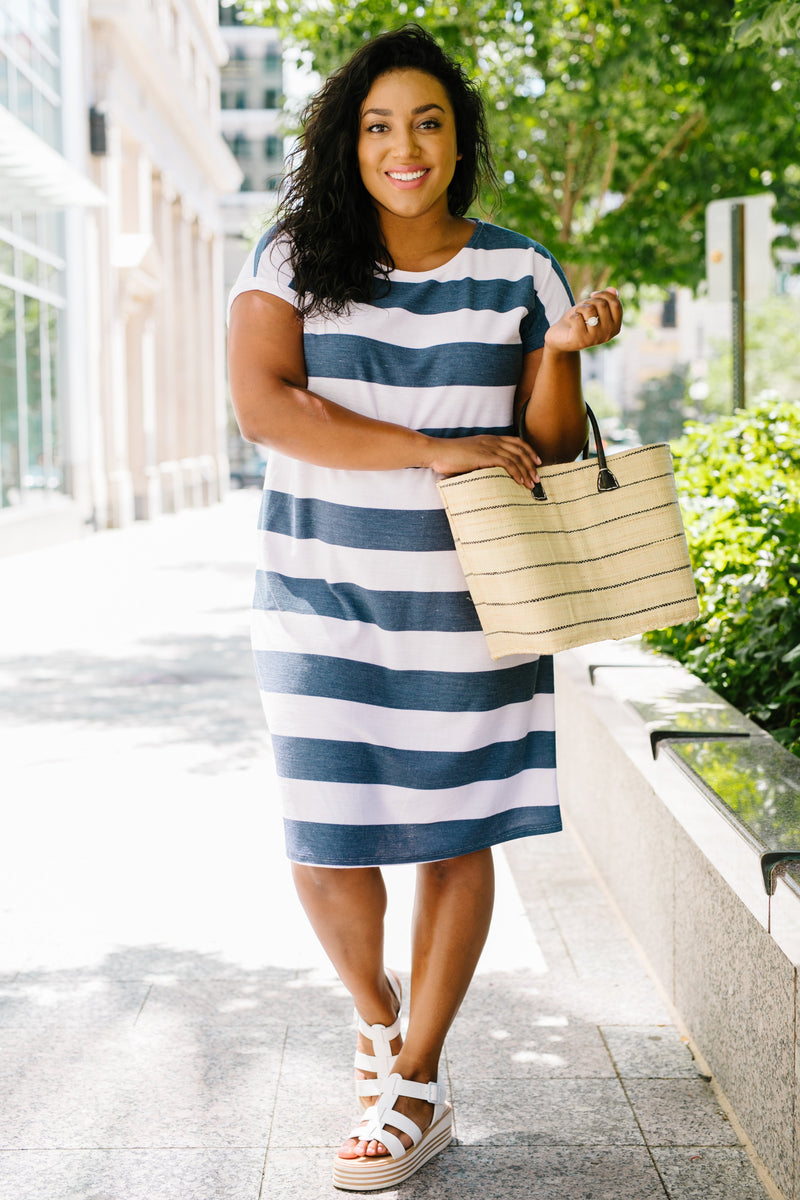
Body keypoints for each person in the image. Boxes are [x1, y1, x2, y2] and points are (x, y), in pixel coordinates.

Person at [227, 24, 622, 1191]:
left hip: (472, 602)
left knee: (455, 839)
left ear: (459, 139)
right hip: (319, 597)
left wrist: (555, 354)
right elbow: (267, 410)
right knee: (326, 836)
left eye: (428, 122)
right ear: (348, 142)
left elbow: (541, 454)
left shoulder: (518, 270)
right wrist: (430, 448)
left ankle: (412, 1082)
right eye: (378, 125)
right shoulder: (290, 256)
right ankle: (378, 1017)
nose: (405, 147)